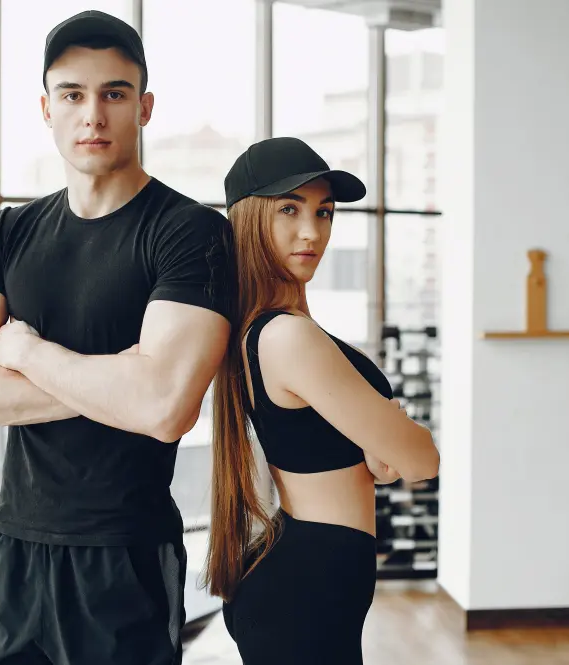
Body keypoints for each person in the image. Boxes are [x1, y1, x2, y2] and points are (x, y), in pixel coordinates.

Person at [0, 10, 233, 665]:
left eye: (114, 94)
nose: (93, 114)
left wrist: (29, 354)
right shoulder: (7, 234)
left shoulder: (188, 233)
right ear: (46, 107)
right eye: (73, 94)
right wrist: (117, 383)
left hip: (125, 551)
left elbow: (164, 408)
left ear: (144, 108)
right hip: (17, 547)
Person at [201, 137, 440, 664]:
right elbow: (422, 459)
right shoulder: (289, 338)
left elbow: (384, 464)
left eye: (324, 212)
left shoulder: (272, 330)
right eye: (289, 209)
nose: (313, 232)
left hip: (313, 577)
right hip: (307, 588)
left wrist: (383, 449)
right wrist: (393, 440)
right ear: (249, 218)